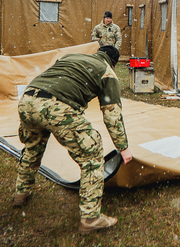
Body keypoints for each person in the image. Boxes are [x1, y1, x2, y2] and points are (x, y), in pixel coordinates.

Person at [13, 45, 133, 234]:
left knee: (32, 149)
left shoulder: (72, 57)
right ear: (114, 63)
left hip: (27, 100)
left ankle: (21, 193)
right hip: (56, 106)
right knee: (92, 156)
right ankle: (90, 219)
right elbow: (112, 115)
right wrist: (123, 148)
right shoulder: (107, 72)